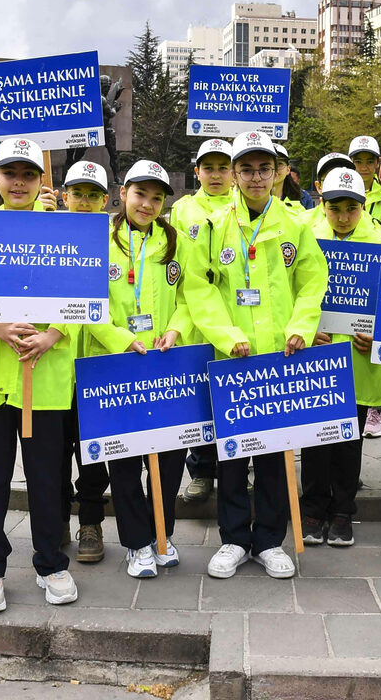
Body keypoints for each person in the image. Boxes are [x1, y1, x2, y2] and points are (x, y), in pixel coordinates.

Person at [183, 131, 329, 580]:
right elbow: (198, 286)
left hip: (281, 358)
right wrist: (227, 336)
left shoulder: (296, 224)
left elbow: (312, 281)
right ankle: (232, 539)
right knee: (231, 455)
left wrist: (302, 328)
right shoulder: (212, 227)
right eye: (245, 169)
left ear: (279, 171)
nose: (255, 177)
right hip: (234, 361)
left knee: (275, 454)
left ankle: (268, 539)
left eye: (264, 168)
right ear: (233, 174)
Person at [0, 138, 79, 613]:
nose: (18, 182)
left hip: (46, 380)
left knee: (47, 479)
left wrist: (53, 334)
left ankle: (51, 562)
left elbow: (82, 298)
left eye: (28, 175)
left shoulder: (64, 231)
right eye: (9, 173)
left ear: (41, 181)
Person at [89, 160, 192, 578]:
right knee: (125, 461)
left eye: (156, 198)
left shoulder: (177, 242)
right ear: (122, 192)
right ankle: (136, 543)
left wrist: (175, 329)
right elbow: (86, 303)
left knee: (169, 459)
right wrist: (119, 339)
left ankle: (161, 535)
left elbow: (190, 296)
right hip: (117, 365)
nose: (147, 204)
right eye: (140, 194)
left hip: (166, 365)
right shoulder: (99, 240)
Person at [305, 168, 381, 546]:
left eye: (351, 208)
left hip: (359, 358)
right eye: (335, 207)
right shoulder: (307, 237)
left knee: (348, 440)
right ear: (323, 204)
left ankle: (343, 511)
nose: (343, 216)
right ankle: (311, 509)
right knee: (314, 439)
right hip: (317, 356)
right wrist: (305, 328)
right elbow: (291, 291)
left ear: (363, 206)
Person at [169, 139, 234, 504]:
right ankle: (202, 471)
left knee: (232, 396)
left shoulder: (243, 209)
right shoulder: (182, 209)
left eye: (223, 168)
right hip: (195, 319)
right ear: (197, 172)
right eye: (208, 168)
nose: (215, 175)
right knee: (201, 401)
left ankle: (235, 468)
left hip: (234, 318)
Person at [59, 160, 112, 563]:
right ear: (64, 195)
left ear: (105, 200)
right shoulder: (47, 233)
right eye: (78, 193)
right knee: (52, 452)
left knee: (94, 455)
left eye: (93, 194)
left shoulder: (117, 242)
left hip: (97, 365)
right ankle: (57, 516)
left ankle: (90, 523)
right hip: (54, 366)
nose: (85, 201)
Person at [347, 135, 381, 439]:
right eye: (358, 160)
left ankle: (373, 410)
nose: (364, 166)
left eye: (369, 160)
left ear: (378, 163)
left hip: (374, 277)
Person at [348, 135, 381, 222]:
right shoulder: (341, 193)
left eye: (370, 162)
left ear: (378, 162)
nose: (364, 168)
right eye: (358, 162)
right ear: (350, 162)